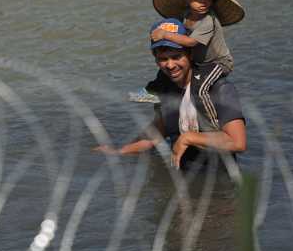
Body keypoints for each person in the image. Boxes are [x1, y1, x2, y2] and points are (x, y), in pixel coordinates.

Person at [96, 18, 246, 170]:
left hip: (217, 177)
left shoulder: (219, 89)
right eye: (163, 59)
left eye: (176, 57)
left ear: (190, 55)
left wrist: (188, 138)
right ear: (156, 60)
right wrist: (119, 151)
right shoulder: (165, 90)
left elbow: (237, 142)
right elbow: (154, 137)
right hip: (180, 173)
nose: (170, 65)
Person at [131, 0, 245, 131]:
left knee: (201, 87)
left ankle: (211, 121)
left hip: (217, 63)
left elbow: (191, 43)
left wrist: (165, 35)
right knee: (163, 72)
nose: (203, 0)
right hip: (199, 62)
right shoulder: (186, 15)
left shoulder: (208, 21)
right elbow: (179, 33)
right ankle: (151, 91)